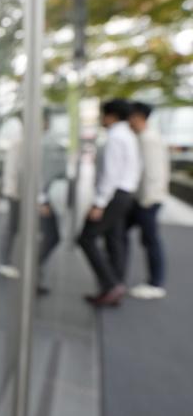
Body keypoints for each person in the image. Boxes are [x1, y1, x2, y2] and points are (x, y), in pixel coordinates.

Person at [78, 99, 142, 307]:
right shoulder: (128, 136)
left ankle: (111, 284)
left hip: (114, 195)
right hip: (124, 194)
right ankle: (114, 286)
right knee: (115, 240)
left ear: (111, 115)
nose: (101, 119)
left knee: (86, 237)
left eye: (103, 114)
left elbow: (111, 174)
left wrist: (99, 203)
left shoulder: (115, 137)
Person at [0, 111, 65, 295]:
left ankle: (31, 273)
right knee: (16, 228)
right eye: (44, 121)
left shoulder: (35, 142)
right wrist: (35, 199)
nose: (47, 124)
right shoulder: (22, 143)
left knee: (30, 232)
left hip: (28, 195)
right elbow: (21, 173)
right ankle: (12, 265)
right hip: (21, 195)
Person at [124, 101, 170, 299]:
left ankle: (155, 284)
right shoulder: (144, 137)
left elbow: (153, 173)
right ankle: (118, 274)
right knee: (124, 233)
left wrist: (145, 200)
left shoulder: (148, 140)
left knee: (150, 240)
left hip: (147, 200)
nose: (128, 121)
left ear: (139, 117)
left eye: (130, 117)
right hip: (144, 199)